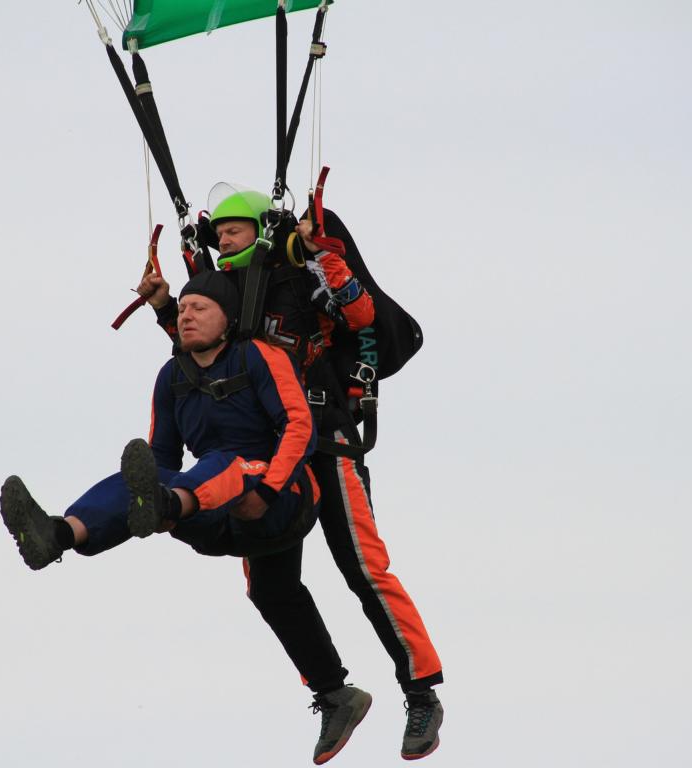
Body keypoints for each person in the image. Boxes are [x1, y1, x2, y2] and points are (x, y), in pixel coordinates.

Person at [0, 271, 371, 764]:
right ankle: (60, 534)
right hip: (212, 512)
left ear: (227, 319)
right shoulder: (171, 376)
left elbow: (298, 428)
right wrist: (154, 493)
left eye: (199, 308)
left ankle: (169, 505)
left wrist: (269, 490)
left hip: (279, 497)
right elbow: (158, 459)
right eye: (183, 308)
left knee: (224, 467)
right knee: (152, 482)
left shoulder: (259, 357)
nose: (187, 315)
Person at [138, 186, 445, 760]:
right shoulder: (226, 295)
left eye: (233, 229)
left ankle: (421, 690)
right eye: (218, 232)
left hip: (325, 438)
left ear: (261, 229)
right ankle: (333, 694)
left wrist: (323, 253)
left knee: (362, 566)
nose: (222, 239)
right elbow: (208, 354)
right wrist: (164, 309)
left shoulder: (303, 276)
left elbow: (361, 315)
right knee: (269, 586)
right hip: (269, 451)